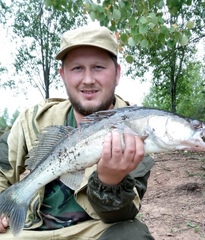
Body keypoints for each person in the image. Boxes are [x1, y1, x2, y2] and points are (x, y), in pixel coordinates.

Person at [0, 25, 155, 239]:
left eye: (99, 67)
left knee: (132, 235)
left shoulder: (136, 129)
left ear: (117, 73)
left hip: (93, 231)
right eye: (77, 68)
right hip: (30, 231)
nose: (88, 79)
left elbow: (123, 215)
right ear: (62, 75)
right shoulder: (34, 119)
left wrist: (110, 181)